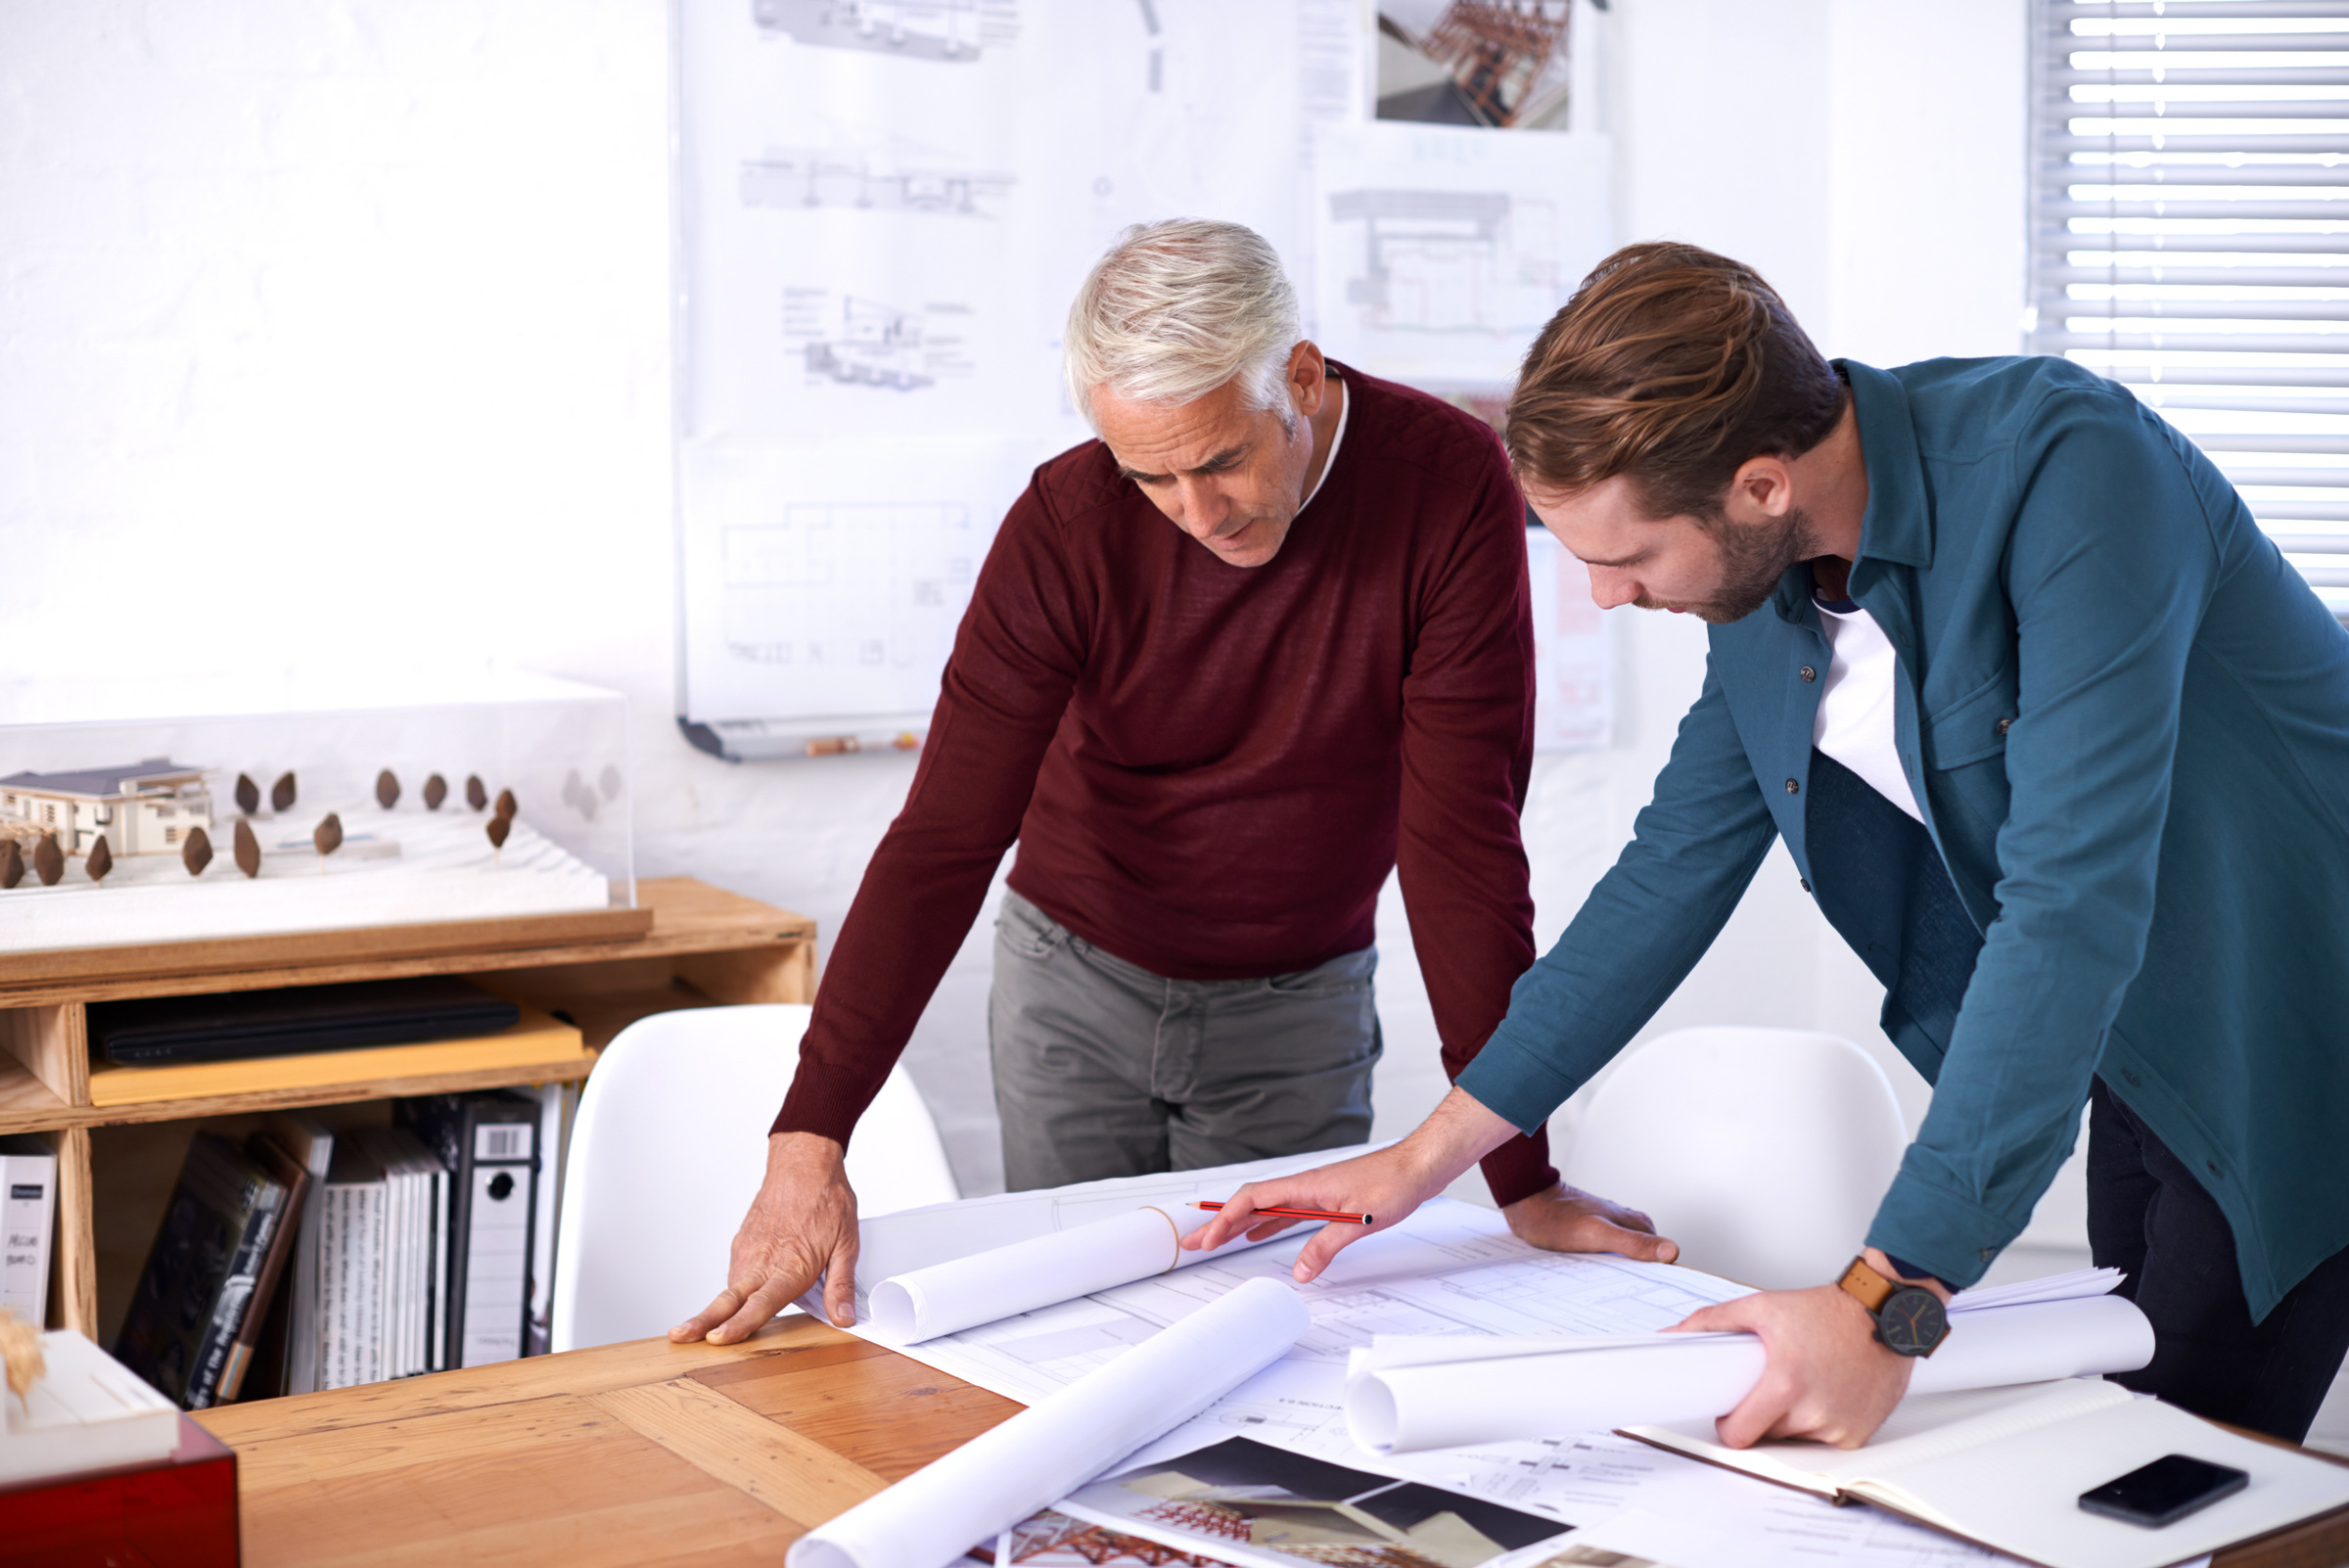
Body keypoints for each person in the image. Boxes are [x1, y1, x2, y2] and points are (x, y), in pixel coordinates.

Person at [1192, 241, 2349, 1449]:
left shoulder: (2071, 474)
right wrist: (1423, 1161)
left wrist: (1882, 1302)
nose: (1605, 598)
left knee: (2179, 1481)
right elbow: (1669, 873)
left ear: (1760, 485)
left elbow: (2065, 901)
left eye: (1626, 558)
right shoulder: (1769, 583)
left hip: (2298, 1018)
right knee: (2127, 1450)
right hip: (2138, 1034)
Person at [673, 219, 1678, 1348]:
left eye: (1219, 461)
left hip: (1296, 1006)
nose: (1198, 514)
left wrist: (1519, 1175)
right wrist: (811, 1140)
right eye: (1152, 475)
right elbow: (944, 838)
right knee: (1066, 1335)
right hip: (1073, 987)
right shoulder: (1066, 523)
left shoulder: (1446, 484)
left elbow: (1463, 848)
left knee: (1267, 1340)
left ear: (1298, 376)